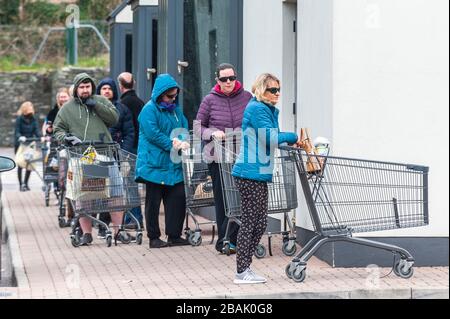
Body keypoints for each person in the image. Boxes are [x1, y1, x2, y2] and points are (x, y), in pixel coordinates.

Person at [231, 73, 299, 284]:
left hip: (258, 173)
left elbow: (273, 136)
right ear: (261, 90)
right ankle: (242, 271)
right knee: (252, 223)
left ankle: (245, 267)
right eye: (272, 90)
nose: (277, 93)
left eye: (278, 89)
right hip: (250, 173)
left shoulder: (267, 109)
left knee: (259, 223)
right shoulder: (258, 109)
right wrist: (294, 137)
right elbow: (270, 138)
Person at [53, 73, 124, 246]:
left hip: (105, 154)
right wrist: (66, 138)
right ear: (76, 88)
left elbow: (114, 118)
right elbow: (58, 129)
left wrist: (96, 106)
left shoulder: (101, 101)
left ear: (92, 87)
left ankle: (118, 231)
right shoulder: (67, 108)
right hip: (81, 157)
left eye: (88, 87)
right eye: (82, 87)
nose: (85, 90)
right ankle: (86, 233)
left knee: (115, 193)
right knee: (84, 196)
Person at [195, 63, 252, 254]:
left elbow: (253, 121)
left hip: (242, 156)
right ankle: (224, 239)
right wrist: (212, 133)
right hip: (218, 157)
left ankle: (239, 239)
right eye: (223, 79)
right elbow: (197, 127)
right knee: (224, 199)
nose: (228, 82)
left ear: (236, 78)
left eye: (231, 78)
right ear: (217, 80)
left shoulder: (247, 97)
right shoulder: (209, 100)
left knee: (243, 197)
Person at [135, 74, 190, 249]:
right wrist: (173, 144)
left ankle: (174, 234)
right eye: (169, 96)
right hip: (154, 163)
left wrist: (183, 139)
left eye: (175, 96)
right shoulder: (148, 110)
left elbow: (183, 126)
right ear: (160, 94)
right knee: (153, 201)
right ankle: (154, 237)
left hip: (172, 162)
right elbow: (153, 134)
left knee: (178, 197)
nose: (172, 99)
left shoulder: (176, 110)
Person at [96, 77, 135, 238]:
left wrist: (123, 153)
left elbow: (130, 132)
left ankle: (115, 226)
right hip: (97, 155)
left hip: (116, 154)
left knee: (115, 191)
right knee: (97, 191)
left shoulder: (122, 109)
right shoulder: (93, 109)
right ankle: (100, 225)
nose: (106, 91)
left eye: (109, 88)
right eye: (103, 88)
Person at [117, 72, 145, 228]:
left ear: (120, 85)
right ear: (133, 83)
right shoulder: (140, 102)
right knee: (132, 184)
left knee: (129, 185)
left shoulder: (122, 104)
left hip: (128, 148)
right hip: (139, 147)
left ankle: (134, 219)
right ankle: (134, 218)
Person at [14, 101, 41, 192]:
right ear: (25, 109)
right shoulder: (19, 119)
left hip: (30, 144)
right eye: (29, 107)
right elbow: (17, 131)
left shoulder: (33, 119)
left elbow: (36, 131)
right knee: (21, 164)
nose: (31, 109)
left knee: (29, 164)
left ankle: (26, 183)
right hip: (20, 144)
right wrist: (20, 137)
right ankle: (21, 184)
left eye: (31, 107)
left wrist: (40, 137)